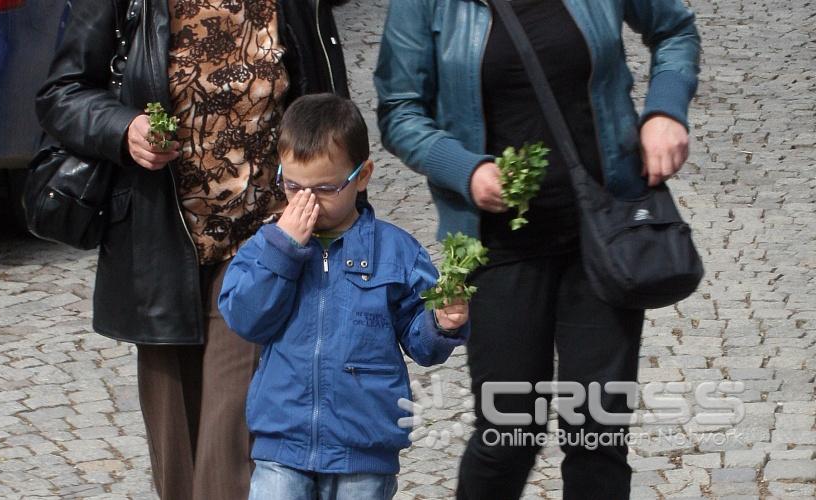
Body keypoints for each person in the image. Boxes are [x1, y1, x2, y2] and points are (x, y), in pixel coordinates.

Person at [374, 0, 700, 499]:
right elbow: (400, 109)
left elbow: (674, 29)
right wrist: (466, 168)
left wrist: (664, 111)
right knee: (508, 434)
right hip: (498, 246)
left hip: (603, 238)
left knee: (597, 434)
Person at [35, 1, 351, 498]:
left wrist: (346, 227)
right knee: (176, 461)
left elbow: (330, 108)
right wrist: (123, 128)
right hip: (159, 244)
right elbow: (61, 95)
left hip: (260, 242)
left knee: (231, 447)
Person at [217, 93, 471, 500]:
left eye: (324, 188)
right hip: (283, 442)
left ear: (363, 175)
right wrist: (284, 250)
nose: (305, 201)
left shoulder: (396, 251)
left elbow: (422, 344)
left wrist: (440, 323)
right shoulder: (267, 245)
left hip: (364, 446)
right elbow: (245, 319)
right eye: (293, 185)